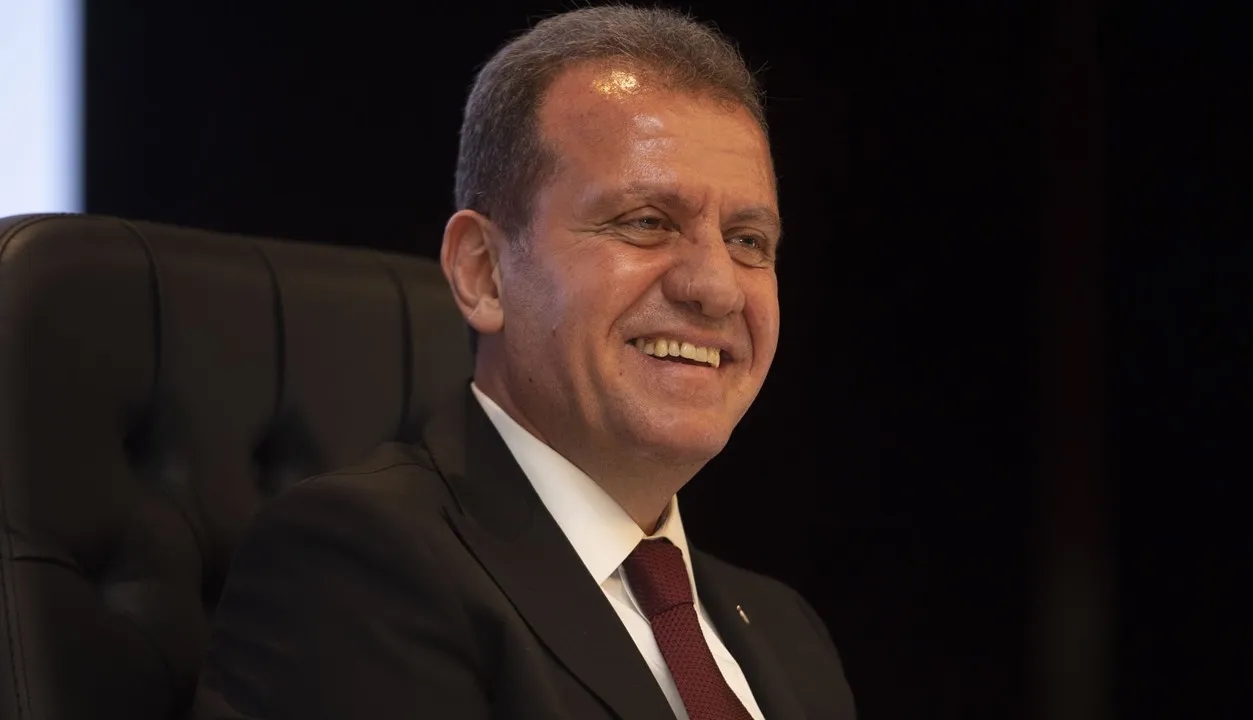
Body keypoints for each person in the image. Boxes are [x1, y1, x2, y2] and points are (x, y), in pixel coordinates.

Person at [192, 5, 856, 719]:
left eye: (749, 240)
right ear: (484, 271)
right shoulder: (356, 566)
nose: (717, 287)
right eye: (647, 222)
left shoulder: (790, 634)